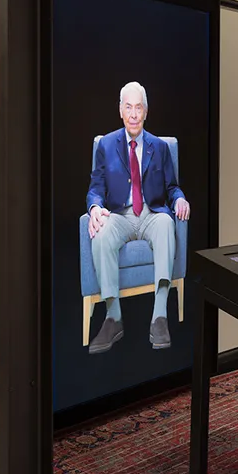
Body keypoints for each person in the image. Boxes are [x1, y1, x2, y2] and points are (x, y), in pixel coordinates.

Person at [85, 81, 191, 354]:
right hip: (119, 215)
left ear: (146, 112)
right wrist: (95, 208)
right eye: (128, 107)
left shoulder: (160, 147)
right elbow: (95, 188)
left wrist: (179, 198)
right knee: (100, 231)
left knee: (168, 223)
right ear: (120, 111)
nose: (133, 114)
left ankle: (159, 316)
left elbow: (171, 187)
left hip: (150, 214)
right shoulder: (106, 145)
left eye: (138, 107)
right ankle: (113, 317)